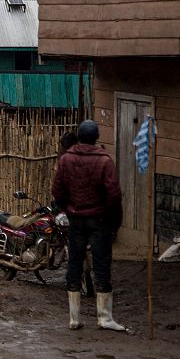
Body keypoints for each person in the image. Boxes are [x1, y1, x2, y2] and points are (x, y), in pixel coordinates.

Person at [52, 119, 125, 332]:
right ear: (96, 137)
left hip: (75, 218)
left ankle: (74, 318)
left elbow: (57, 190)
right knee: (101, 264)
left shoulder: (66, 159)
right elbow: (114, 194)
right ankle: (105, 318)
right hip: (99, 219)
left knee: (74, 263)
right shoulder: (104, 161)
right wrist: (109, 216)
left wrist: (68, 208)